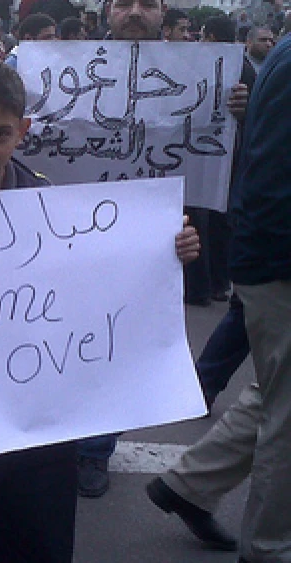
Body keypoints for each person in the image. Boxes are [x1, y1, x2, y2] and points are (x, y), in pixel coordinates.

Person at [0, 57, 200, 563]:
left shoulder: (55, 205)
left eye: (0, 134)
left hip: (44, 439)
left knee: (40, 548)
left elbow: (105, 286)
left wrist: (164, 253)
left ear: (23, 131)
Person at [73, 0, 249, 500]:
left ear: (163, 13)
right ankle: (59, 439)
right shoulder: (66, 69)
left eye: (145, 4)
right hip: (76, 234)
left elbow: (217, 157)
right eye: (123, 3)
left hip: (151, 239)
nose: (134, 12)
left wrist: (237, 115)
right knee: (70, 340)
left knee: (123, 348)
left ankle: (94, 450)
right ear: (107, 12)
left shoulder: (199, 78)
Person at [148, 32, 291, 563]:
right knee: (287, 408)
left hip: (270, 256)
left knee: (273, 390)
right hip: (281, 261)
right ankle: (271, 544)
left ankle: (188, 486)